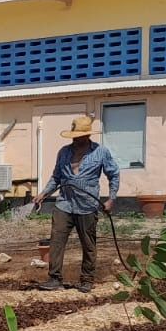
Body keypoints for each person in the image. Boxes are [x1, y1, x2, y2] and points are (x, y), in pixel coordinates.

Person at [31, 114, 120, 292]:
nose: (77, 139)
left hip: (87, 205)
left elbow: (114, 174)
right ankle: (54, 278)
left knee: (88, 244)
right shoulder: (64, 152)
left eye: (81, 136)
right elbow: (56, 177)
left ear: (88, 135)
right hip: (64, 203)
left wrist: (111, 199)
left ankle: (87, 280)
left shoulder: (101, 152)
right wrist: (43, 193)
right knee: (56, 240)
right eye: (75, 136)